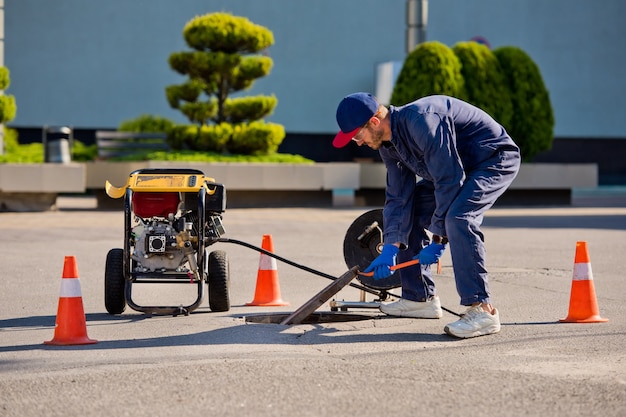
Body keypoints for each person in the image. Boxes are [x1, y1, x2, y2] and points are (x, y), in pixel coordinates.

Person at [333, 93, 520, 338]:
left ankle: (483, 310)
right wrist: (390, 246)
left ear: (375, 122)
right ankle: (419, 298)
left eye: (358, 135)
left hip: (492, 161)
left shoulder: (423, 120)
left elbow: (449, 179)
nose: (357, 142)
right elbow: (399, 198)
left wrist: (439, 239)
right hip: (456, 171)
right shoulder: (388, 146)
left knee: (459, 218)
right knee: (409, 210)